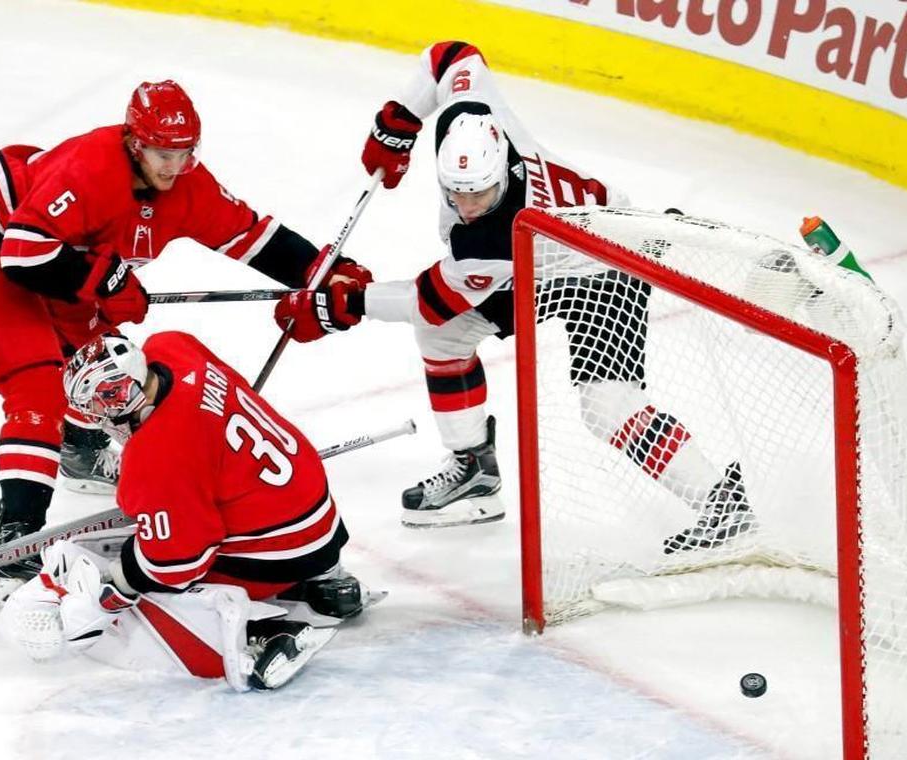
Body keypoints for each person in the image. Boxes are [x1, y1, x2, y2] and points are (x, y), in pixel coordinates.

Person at [274, 42, 753, 553]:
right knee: (445, 338)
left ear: (501, 173)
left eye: (479, 194)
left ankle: (720, 503)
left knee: (605, 406)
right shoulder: (475, 118)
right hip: (550, 255)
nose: (466, 205)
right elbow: (451, 56)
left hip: (603, 266)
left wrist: (343, 304)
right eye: (455, 193)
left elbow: (429, 300)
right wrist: (398, 124)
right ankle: (474, 468)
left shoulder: (491, 238)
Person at [0, 80, 371, 600]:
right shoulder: (91, 167)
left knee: (102, 363)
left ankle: (81, 446)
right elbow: (23, 255)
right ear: (135, 142)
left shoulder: (187, 183)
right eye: (163, 152)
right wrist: (107, 281)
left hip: (51, 259)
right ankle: (16, 543)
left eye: (186, 153)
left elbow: (253, 235)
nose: (174, 166)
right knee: (37, 392)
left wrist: (327, 273)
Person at [0, 330, 370, 690]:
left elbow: (175, 564)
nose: (96, 418)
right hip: (319, 518)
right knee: (187, 526)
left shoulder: (156, 456)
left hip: (278, 552)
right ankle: (325, 584)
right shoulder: (174, 347)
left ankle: (262, 635)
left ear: (122, 393)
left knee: (148, 589)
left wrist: (113, 591)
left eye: (98, 405)